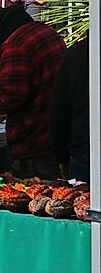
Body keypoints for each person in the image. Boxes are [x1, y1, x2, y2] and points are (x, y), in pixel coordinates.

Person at [0, 3, 65, 178]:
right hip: (57, 130)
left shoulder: (15, 45)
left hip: (33, 138)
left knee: (33, 194)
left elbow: (11, 96)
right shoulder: (45, 31)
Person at [50, 40, 90, 181]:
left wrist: (62, 156)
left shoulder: (76, 53)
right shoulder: (76, 54)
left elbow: (59, 110)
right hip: (83, 145)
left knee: (83, 198)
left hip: (83, 146)